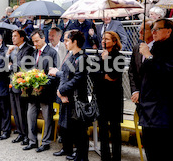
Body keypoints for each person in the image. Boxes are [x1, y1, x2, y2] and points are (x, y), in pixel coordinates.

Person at [49, 30, 90, 161]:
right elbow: (64, 76)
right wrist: (60, 92)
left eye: (67, 40)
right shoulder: (71, 56)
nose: (65, 43)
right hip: (67, 97)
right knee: (69, 126)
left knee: (80, 131)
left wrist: (62, 90)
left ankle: (82, 156)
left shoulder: (82, 57)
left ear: (75, 42)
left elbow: (77, 78)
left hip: (77, 99)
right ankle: (75, 153)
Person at [138, 18, 173, 161]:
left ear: (169, 31)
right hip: (148, 109)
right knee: (150, 150)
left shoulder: (170, 49)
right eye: (152, 29)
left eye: (157, 29)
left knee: (161, 151)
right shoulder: (155, 46)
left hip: (162, 112)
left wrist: (149, 56)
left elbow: (166, 73)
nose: (154, 32)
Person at [23, 29, 58, 153]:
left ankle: (46, 142)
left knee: (47, 117)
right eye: (33, 41)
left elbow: (53, 72)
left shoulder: (52, 52)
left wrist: (43, 84)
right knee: (30, 115)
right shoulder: (34, 52)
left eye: (37, 41)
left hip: (46, 90)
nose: (35, 44)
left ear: (44, 39)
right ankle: (32, 141)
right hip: (33, 90)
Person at [92, 31, 125, 161]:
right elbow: (93, 76)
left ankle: (116, 157)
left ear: (114, 41)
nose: (103, 41)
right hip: (101, 95)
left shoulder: (119, 56)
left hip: (114, 97)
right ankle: (105, 157)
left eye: (107, 39)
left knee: (115, 129)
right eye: (102, 39)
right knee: (103, 128)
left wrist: (106, 62)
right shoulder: (99, 55)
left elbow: (113, 76)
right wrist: (103, 75)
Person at [7, 30, 34, 145]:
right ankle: (20, 133)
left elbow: (20, 66)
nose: (13, 38)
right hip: (12, 84)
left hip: (21, 85)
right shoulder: (14, 50)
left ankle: (26, 136)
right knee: (16, 112)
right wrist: (8, 55)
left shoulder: (28, 49)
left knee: (22, 111)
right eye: (12, 36)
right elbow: (6, 63)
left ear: (22, 37)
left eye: (15, 36)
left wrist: (10, 67)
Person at [128, 19, 154, 104]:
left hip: (153, 99)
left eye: (144, 29)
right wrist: (135, 91)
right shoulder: (137, 48)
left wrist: (149, 55)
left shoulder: (160, 48)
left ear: (153, 31)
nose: (140, 32)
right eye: (140, 29)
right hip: (138, 99)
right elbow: (132, 71)